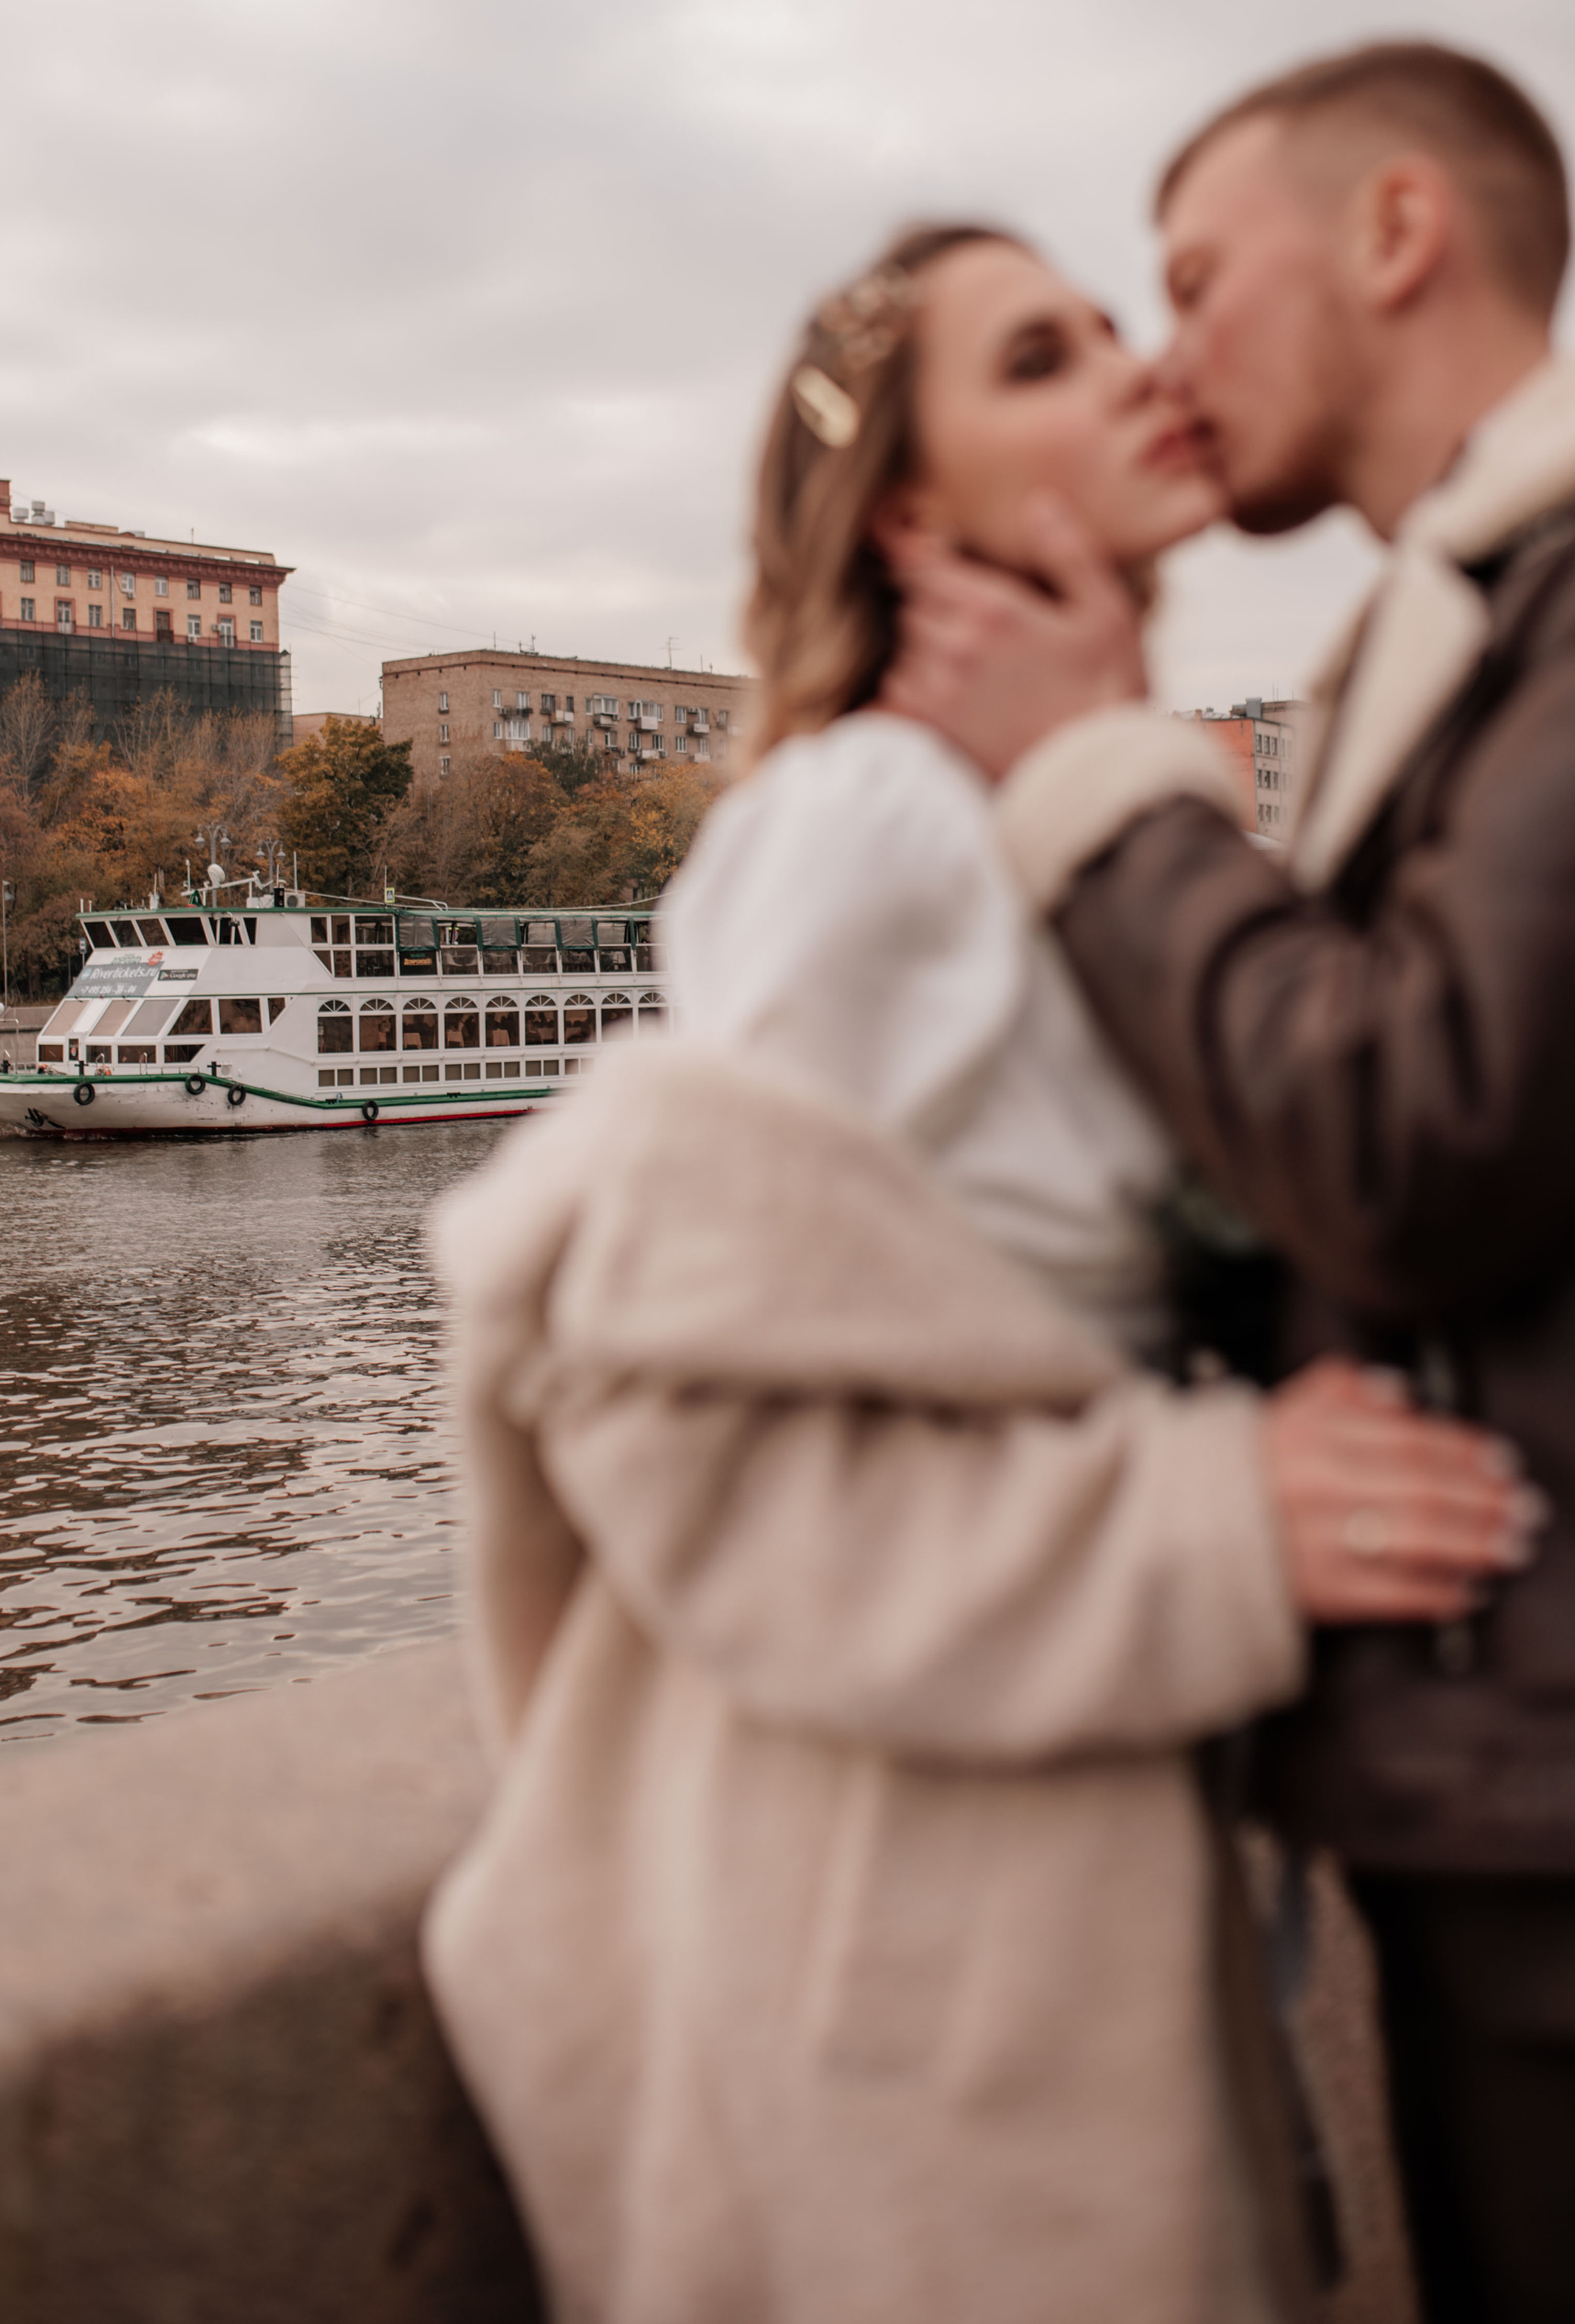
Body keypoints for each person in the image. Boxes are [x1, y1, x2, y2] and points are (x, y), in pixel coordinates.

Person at [421, 219, 1534, 2324]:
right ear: (917, 512)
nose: (1134, 369)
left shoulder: (1067, 824)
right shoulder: (873, 819)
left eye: (1122, 327)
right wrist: (1209, 1527)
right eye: (1044, 354)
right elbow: (678, 1401)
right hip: (907, 1912)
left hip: (1067, 1855)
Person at [881, 41, 1575, 2323]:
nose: (1165, 363)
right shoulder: (1456, 621)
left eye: (1188, 281)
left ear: (1394, 235)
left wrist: (1097, 788)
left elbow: (1415, 1137)